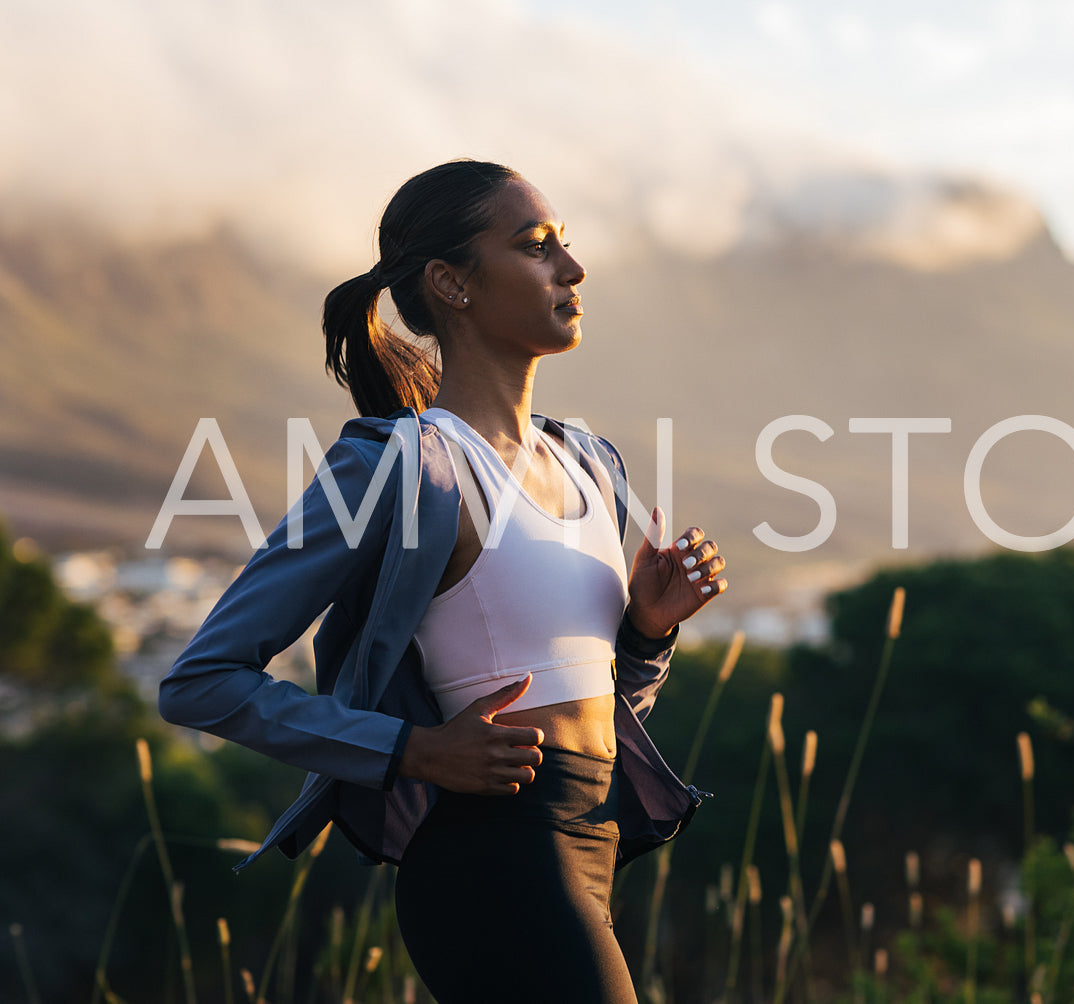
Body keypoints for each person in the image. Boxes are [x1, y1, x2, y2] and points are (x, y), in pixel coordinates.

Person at [158, 159, 725, 1003]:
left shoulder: (589, 464)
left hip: (593, 845)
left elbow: (605, 715)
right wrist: (411, 750)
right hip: (495, 858)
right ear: (450, 283)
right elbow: (199, 682)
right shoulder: (403, 467)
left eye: (565, 243)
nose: (571, 269)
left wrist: (646, 635)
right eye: (536, 247)